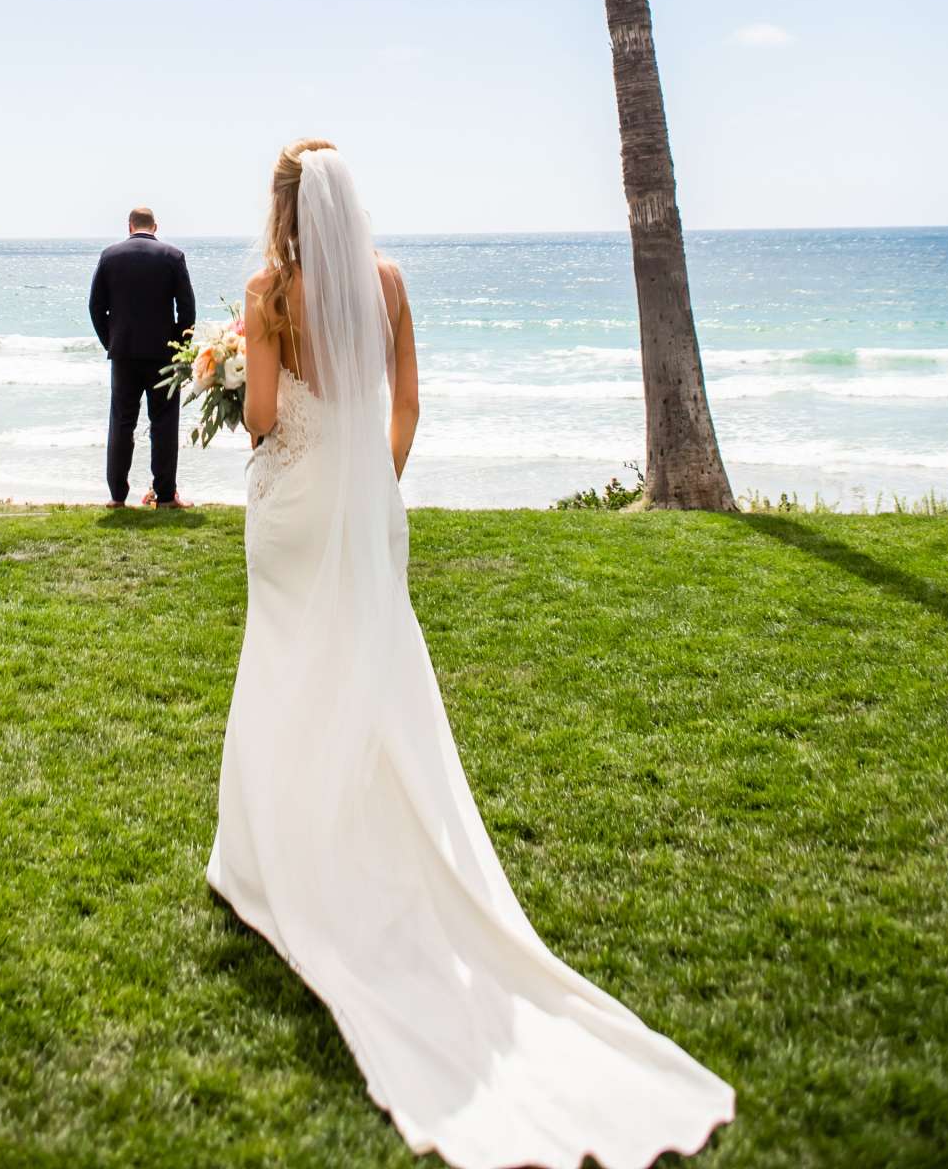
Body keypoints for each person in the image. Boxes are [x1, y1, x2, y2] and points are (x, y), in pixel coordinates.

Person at [208, 138, 733, 1167]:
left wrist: (236, 379)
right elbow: (405, 407)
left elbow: (265, 420)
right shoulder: (389, 281)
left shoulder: (267, 288)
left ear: (279, 208)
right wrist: (376, 484)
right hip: (364, 505)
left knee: (284, 670)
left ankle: (277, 851)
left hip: (289, 512)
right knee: (368, 670)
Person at [88, 206, 196, 509]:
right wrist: (179, 347)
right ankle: (164, 495)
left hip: (123, 354)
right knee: (164, 423)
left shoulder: (110, 256)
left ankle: (117, 496)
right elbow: (187, 310)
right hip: (163, 354)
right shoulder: (172, 256)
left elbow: (96, 307)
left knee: (122, 422)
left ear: (130, 226)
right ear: (155, 227)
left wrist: (111, 341)